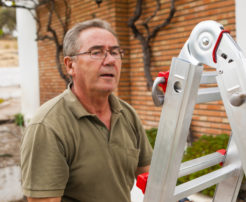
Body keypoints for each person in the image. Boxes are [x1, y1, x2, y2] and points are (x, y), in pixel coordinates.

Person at [20, 19, 153, 202]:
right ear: (70, 65)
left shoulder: (127, 114)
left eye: (115, 52)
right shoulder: (47, 126)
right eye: (96, 52)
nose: (111, 60)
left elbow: (151, 178)